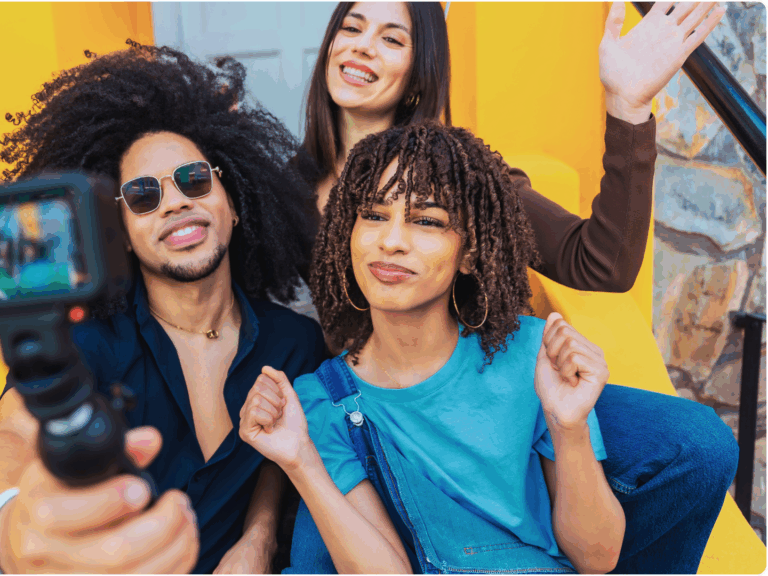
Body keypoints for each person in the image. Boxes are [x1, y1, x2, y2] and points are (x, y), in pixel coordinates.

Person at [280, 2, 737, 572]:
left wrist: (628, 108)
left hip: (487, 396)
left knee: (697, 445)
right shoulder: (281, 193)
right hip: (364, 421)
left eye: (392, 38)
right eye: (350, 27)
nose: (363, 46)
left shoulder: (464, 177)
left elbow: (601, 263)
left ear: (421, 69)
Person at [0, 46, 325, 573]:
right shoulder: (88, 341)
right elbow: (8, 438)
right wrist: (7, 530)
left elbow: (279, 457)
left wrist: (258, 538)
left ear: (235, 202)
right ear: (120, 234)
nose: (175, 202)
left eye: (194, 180)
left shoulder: (295, 343)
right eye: (144, 196)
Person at [243, 120, 637, 573]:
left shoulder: (534, 356)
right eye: (373, 215)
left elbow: (599, 558)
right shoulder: (322, 398)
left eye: (426, 221)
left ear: (469, 253)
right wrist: (300, 463)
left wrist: (569, 428)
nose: (391, 241)